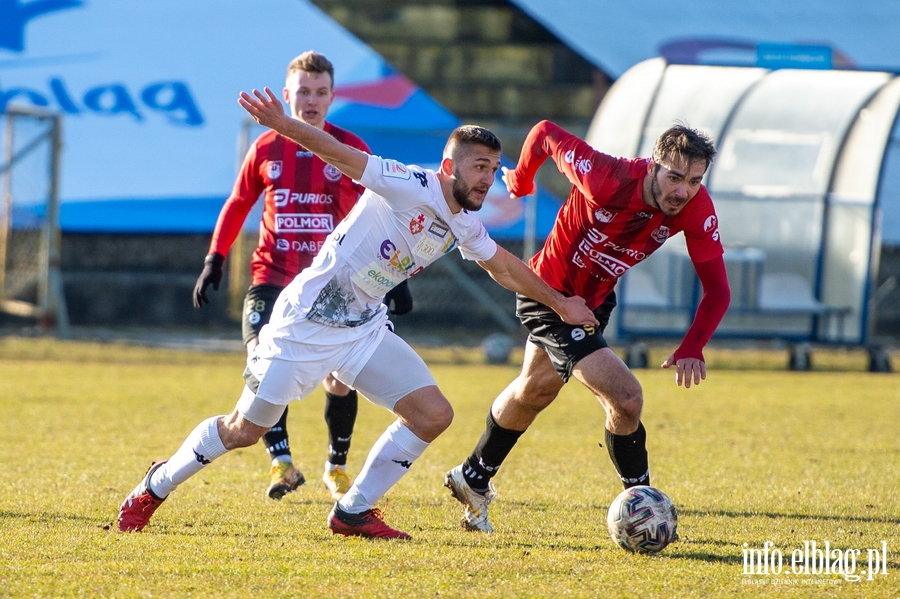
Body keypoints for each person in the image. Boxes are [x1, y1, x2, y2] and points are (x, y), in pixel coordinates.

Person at [117, 88, 599, 539]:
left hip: (363, 329)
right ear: (449, 165)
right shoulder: (409, 183)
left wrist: (561, 304)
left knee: (432, 415)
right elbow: (340, 155)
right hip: (303, 323)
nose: (486, 179)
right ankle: (154, 486)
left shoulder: (465, 222)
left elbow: (505, 267)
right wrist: (284, 125)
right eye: (478, 167)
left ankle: (352, 510)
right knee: (245, 430)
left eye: (494, 169)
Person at [444, 120, 732, 533]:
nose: (682, 191)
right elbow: (543, 131)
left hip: (593, 303)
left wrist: (693, 345)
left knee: (533, 390)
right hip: (549, 296)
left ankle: (472, 478)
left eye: (693, 181)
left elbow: (718, 288)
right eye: (674, 177)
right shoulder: (605, 177)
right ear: (654, 166)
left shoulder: (696, 207)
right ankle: (643, 506)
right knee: (627, 396)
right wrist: (523, 180)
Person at [191, 50, 413, 502]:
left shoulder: (349, 148)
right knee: (260, 364)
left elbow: (388, 207)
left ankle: (337, 466)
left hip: (334, 286)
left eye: (321, 92)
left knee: (339, 378)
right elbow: (238, 203)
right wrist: (215, 257)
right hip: (272, 278)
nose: (311, 101)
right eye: (303, 92)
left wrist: (398, 277)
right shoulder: (266, 148)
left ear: (332, 97)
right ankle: (282, 464)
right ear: (288, 94)